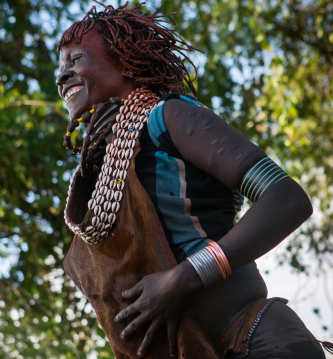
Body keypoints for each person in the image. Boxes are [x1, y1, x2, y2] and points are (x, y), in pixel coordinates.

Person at [56, 2, 328, 358]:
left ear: (124, 61)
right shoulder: (98, 175)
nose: (62, 76)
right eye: (59, 67)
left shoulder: (168, 117)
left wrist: (183, 278)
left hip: (257, 341)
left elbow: (287, 199)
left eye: (75, 60)